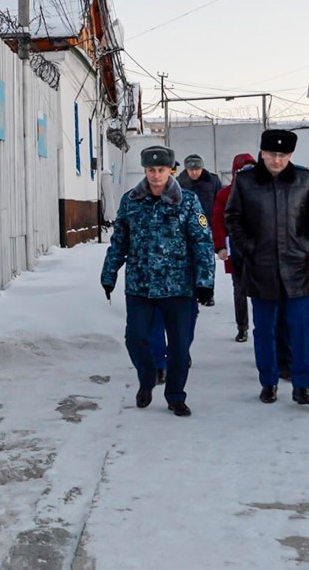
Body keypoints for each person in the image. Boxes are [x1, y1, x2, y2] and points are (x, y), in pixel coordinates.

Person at [101, 145, 215, 417]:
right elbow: (119, 241)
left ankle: (176, 395)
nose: (155, 175)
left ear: (171, 170)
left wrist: (204, 281)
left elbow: (201, 241)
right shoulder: (131, 200)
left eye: (161, 170)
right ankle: (147, 376)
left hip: (177, 285)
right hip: (141, 285)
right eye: (151, 170)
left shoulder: (187, 201)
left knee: (178, 345)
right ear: (144, 170)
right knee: (135, 337)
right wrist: (109, 273)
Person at [224, 129, 309, 406]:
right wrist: (247, 248)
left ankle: (302, 385)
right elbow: (233, 217)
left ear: (290, 155)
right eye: (272, 155)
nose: (277, 160)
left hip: (297, 267)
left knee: (301, 328)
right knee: (264, 329)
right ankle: (268, 382)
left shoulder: (304, 179)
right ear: (263, 153)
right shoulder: (246, 181)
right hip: (261, 266)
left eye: (283, 155)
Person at [212, 153, 256, 342]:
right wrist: (220, 246)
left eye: (250, 169)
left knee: (262, 290)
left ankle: (264, 329)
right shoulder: (225, 194)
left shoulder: (262, 191)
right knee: (239, 289)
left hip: (260, 250)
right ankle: (242, 327)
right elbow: (217, 222)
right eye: (242, 170)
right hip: (236, 248)